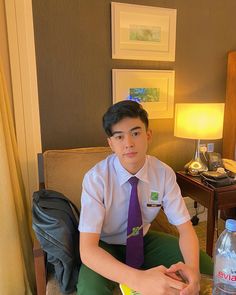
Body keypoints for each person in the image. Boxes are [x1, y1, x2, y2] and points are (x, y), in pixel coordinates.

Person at [77, 100, 213, 295]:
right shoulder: (96, 178)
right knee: (90, 291)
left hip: (143, 239)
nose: (129, 144)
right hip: (104, 245)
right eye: (119, 137)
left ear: (148, 135)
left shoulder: (163, 173)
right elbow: (87, 250)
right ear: (110, 143)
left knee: (205, 266)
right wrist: (138, 279)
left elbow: (185, 229)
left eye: (135, 133)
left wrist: (192, 270)